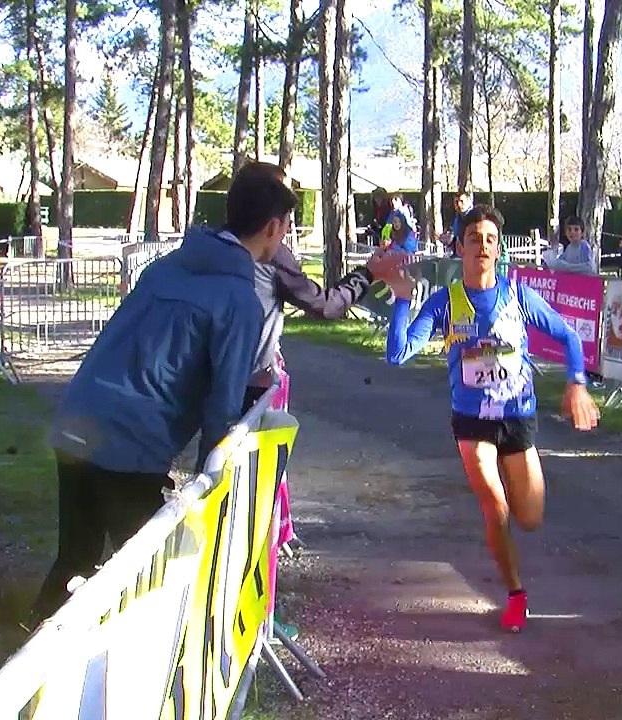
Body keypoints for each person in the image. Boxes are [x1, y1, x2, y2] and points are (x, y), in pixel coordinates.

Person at [32, 161, 291, 623]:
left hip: (77, 420)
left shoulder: (169, 264)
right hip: (129, 445)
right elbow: (223, 405)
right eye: (285, 230)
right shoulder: (239, 299)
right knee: (158, 574)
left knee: (76, 559)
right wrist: (211, 481)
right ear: (273, 227)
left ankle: (27, 655)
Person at [383, 204, 601, 634]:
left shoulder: (517, 295)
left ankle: (510, 511)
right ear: (459, 247)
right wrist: (403, 302)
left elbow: (568, 336)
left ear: (498, 249)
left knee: (530, 517)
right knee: (494, 503)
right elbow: (398, 353)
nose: (482, 246)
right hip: (471, 420)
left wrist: (577, 383)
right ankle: (516, 595)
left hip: (517, 417)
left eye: (489, 239)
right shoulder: (446, 303)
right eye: (473, 239)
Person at [244, 232, 408, 414]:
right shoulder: (271, 252)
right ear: (274, 225)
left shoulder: (213, 247)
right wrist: (367, 274)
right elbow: (326, 305)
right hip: (252, 384)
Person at [546, 215, 604, 387]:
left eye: (576, 230)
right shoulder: (569, 248)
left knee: (588, 331)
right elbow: (557, 266)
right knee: (576, 331)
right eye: (570, 230)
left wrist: (567, 268)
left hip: (587, 296)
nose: (573, 233)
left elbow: (589, 268)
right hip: (573, 297)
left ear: (582, 232)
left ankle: (594, 370)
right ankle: (580, 367)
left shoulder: (584, 247)